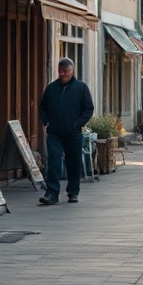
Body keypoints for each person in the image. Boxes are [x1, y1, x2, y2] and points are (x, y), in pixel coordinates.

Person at [38, 57, 94, 205]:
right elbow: (42, 107)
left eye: (66, 71)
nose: (63, 74)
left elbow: (88, 109)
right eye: (60, 71)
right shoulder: (51, 88)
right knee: (54, 162)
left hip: (73, 133)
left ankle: (73, 192)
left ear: (72, 70)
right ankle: (52, 193)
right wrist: (46, 122)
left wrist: (78, 124)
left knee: (73, 163)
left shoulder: (81, 88)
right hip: (54, 133)